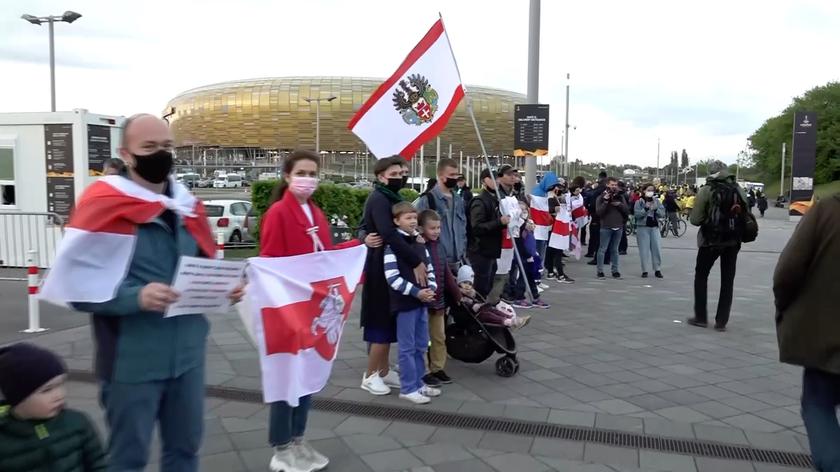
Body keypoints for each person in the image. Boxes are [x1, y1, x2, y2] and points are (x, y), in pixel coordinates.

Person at [42, 114, 242, 472]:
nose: (160, 155)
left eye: (166, 147)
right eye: (149, 147)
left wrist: (226, 288)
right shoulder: (102, 204)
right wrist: (136, 297)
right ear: (126, 153)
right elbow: (75, 285)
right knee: (127, 458)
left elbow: (201, 265)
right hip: (130, 361)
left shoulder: (186, 206)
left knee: (185, 451)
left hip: (189, 355)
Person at [259, 150, 381, 472]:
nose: (308, 179)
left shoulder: (315, 212)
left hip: (312, 309)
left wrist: (356, 247)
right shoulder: (278, 213)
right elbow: (272, 263)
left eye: (313, 173)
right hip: (288, 308)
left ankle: (298, 439)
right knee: (286, 378)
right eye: (302, 172)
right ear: (287, 176)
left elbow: (323, 256)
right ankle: (281, 447)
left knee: (307, 376)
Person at [773, 194, 840, 471]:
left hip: (828, 338)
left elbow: (787, 271)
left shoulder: (827, 211)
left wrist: (785, 307)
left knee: (818, 404)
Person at [360, 156, 423, 397]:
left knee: (387, 324)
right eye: (394, 173)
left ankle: (384, 371)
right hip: (380, 270)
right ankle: (370, 375)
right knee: (380, 325)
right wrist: (415, 260)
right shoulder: (379, 198)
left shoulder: (391, 198)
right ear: (381, 176)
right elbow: (388, 233)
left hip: (390, 267)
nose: (400, 177)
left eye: (403, 173)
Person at [0, 343, 106, 472]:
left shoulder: (77, 422)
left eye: (61, 384)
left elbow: (99, 464)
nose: (59, 395)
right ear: (19, 397)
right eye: (47, 390)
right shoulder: (5, 439)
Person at [384, 202, 441, 405]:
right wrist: (417, 292)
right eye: (407, 218)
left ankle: (418, 382)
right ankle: (408, 387)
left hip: (422, 303)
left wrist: (431, 289)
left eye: (414, 218)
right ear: (396, 220)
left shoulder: (419, 243)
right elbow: (392, 277)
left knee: (420, 346)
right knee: (407, 348)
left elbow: (429, 268)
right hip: (405, 304)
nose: (412, 221)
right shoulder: (392, 246)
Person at [686, 162, 749, 332]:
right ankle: (721, 321)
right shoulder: (738, 189)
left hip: (710, 241)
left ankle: (700, 318)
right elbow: (746, 212)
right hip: (733, 241)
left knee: (701, 276)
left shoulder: (707, 190)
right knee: (727, 280)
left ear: (711, 173)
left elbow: (695, 220)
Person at [418, 209, 461, 387]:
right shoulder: (418, 246)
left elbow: (446, 272)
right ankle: (424, 371)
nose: (436, 231)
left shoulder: (440, 246)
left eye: (438, 228)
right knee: (421, 339)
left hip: (439, 300)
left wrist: (456, 293)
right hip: (422, 300)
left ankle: (438, 367)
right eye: (432, 228)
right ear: (421, 228)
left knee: (439, 337)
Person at [415, 158, 467, 270]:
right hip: (436, 261)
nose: (455, 178)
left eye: (456, 175)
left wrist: (463, 251)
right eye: (451, 175)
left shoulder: (458, 200)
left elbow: (463, 227)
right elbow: (415, 228)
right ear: (440, 175)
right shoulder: (427, 199)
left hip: (458, 260)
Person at [468, 169, 510, 304]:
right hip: (481, 251)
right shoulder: (480, 201)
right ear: (484, 180)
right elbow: (477, 227)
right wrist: (499, 222)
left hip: (491, 250)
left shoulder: (495, 200)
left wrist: (504, 223)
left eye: (497, 178)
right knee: (480, 287)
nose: (497, 181)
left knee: (488, 284)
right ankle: (476, 315)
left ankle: (482, 312)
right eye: (492, 178)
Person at [457, 265, 531, 329]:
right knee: (488, 314)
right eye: (464, 282)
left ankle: (512, 318)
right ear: (459, 283)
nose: (467, 286)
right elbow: (467, 304)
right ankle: (509, 322)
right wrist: (474, 304)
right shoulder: (459, 293)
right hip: (473, 315)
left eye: (469, 283)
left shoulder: (472, 292)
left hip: (479, 310)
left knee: (493, 310)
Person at [595, 177, 629, 279]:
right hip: (606, 226)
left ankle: (615, 271)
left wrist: (619, 205)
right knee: (602, 249)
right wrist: (605, 201)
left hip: (618, 226)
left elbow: (627, 210)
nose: (614, 187)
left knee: (615, 250)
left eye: (615, 185)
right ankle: (600, 271)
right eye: (612, 185)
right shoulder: (601, 197)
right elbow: (599, 212)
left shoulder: (620, 196)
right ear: (607, 185)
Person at [634, 184, 665, 278]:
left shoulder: (657, 201)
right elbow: (637, 215)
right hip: (643, 228)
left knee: (657, 249)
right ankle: (645, 270)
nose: (650, 192)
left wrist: (656, 210)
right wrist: (645, 209)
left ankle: (657, 269)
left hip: (654, 227)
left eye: (652, 190)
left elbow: (662, 213)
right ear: (643, 191)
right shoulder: (639, 202)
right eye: (648, 190)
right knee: (644, 250)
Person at [585, 171, 608, 263]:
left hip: (597, 215)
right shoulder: (608, 189)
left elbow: (593, 202)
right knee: (605, 239)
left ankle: (596, 256)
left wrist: (590, 210)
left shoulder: (598, 189)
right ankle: (606, 258)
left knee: (596, 237)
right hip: (606, 216)